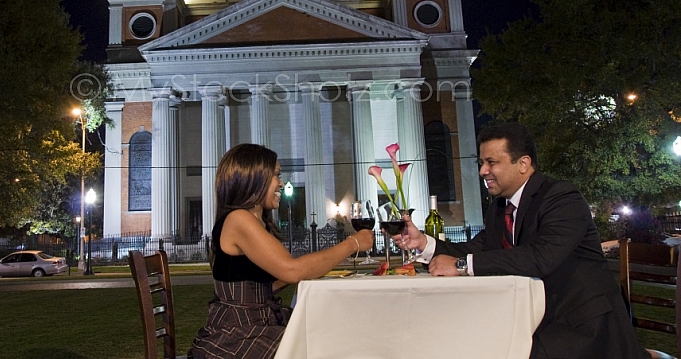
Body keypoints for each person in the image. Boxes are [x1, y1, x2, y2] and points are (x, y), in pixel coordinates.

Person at [393, 122, 648, 359]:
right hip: (534, 321)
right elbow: (480, 248)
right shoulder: (500, 207)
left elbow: (540, 257)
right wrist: (424, 244)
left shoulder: (561, 196)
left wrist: (461, 265)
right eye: (481, 162)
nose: (483, 171)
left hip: (581, 327)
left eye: (492, 162)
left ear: (523, 163)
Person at [188, 143, 374, 359]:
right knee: (329, 342)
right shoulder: (238, 219)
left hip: (255, 324)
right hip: (239, 334)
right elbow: (292, 270)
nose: (281, 183)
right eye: (276, 175)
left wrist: (314, 269)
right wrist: (353, 243)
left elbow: (257, 287)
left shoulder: (255, 222)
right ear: (254, 178)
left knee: (330, 331)